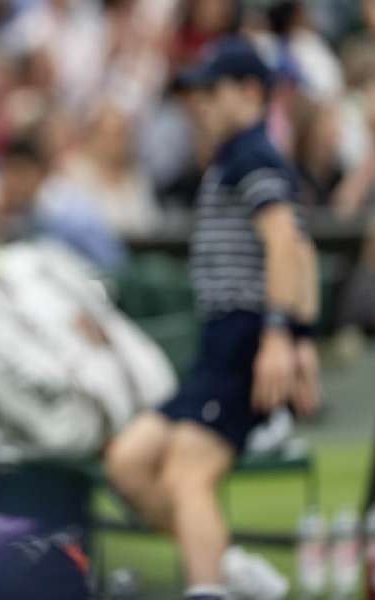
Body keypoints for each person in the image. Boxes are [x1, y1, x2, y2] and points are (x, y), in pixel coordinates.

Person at [105, 36, 320, 600]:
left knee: (185, 475)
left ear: (249, 92)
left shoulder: (253, 153)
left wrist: (283, 335)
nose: (199, 102)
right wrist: (300, 335)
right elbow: (301, 251)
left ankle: (210, 587)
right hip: (219, 344)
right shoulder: (231, 156)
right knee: (128, 464)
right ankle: (227, 564)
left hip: (244, 337)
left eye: (212, 91)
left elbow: (285, 245)